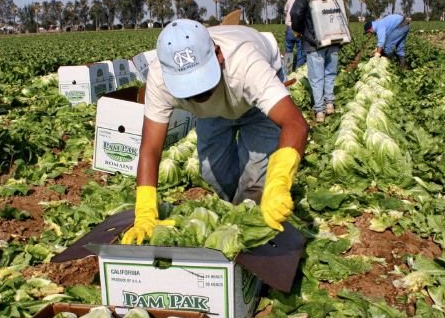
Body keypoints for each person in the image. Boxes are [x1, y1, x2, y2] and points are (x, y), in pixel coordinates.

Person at [121, 19, 310, 245]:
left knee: (257, 183)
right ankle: (238, 213)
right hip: (211, 112)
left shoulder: (247, 64)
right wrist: (144, 212)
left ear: (218, 56)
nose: (197, 92)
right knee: (213, 172)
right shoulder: (160, 78)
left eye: (201, 81)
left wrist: (279, 182)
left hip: (253, 103)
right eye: (187, 86)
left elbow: (295, 124)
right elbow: (150, 148)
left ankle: (253, 232)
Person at [290, 0, 340, 123]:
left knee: (317, 78)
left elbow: (296, 13)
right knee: (330, 73)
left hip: (314, 43)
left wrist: (298, 30)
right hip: (334, 41)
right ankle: (330, 104)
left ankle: (319, 111)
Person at [283, 0, 306, 73]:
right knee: (300, 51)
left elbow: (285, 11)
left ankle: (287, 71)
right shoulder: (303, 0)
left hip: (289, 28)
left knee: (289, 50)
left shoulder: (290, 0)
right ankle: (298, 72)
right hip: (299, 29)